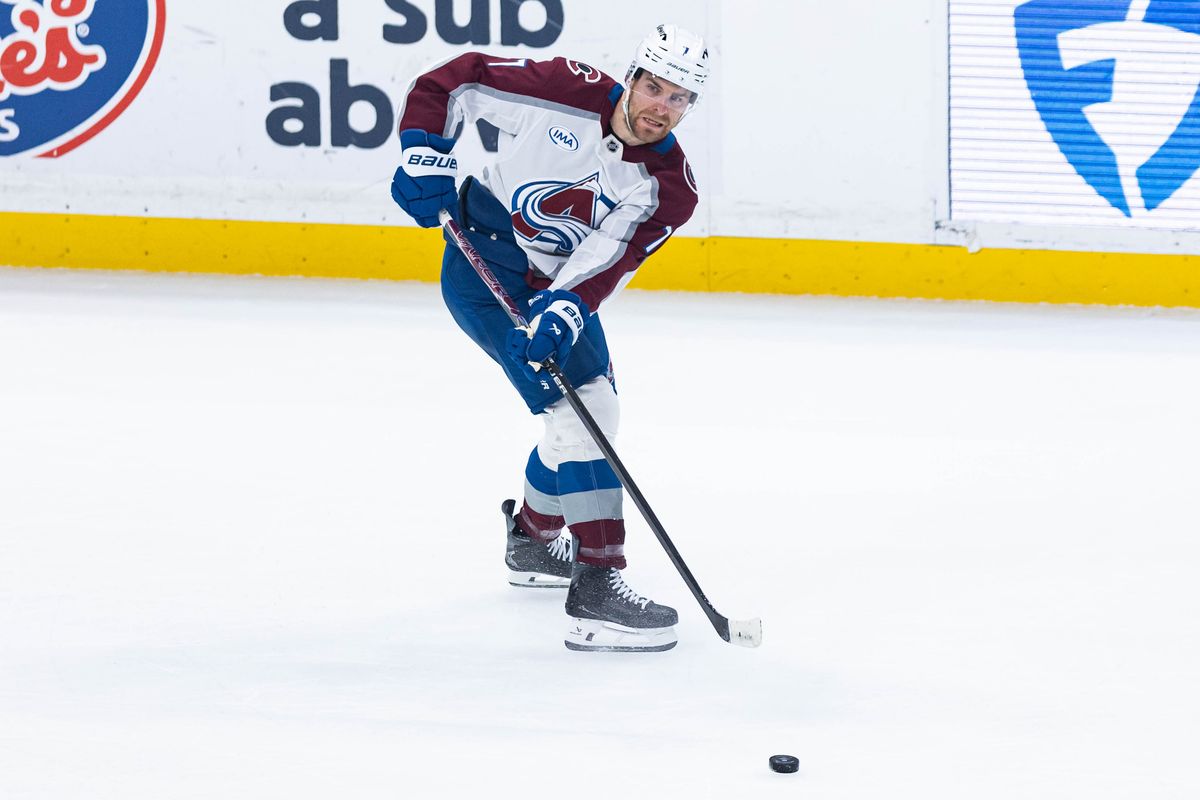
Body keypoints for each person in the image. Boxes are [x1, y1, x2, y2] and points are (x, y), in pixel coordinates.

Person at [390, 24, 709, 652]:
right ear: (634, 75)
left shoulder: (668, 188)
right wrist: (423, 152)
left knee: (596, 409)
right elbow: (452, 81)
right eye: (653, 87)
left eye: (679, 99)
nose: (659, 108)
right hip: (485, 263)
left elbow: (607, 259)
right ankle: (598, 588)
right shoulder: (564, 90)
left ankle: (535, 541)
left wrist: (562, 311)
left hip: (554, 284)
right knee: (579, 416)